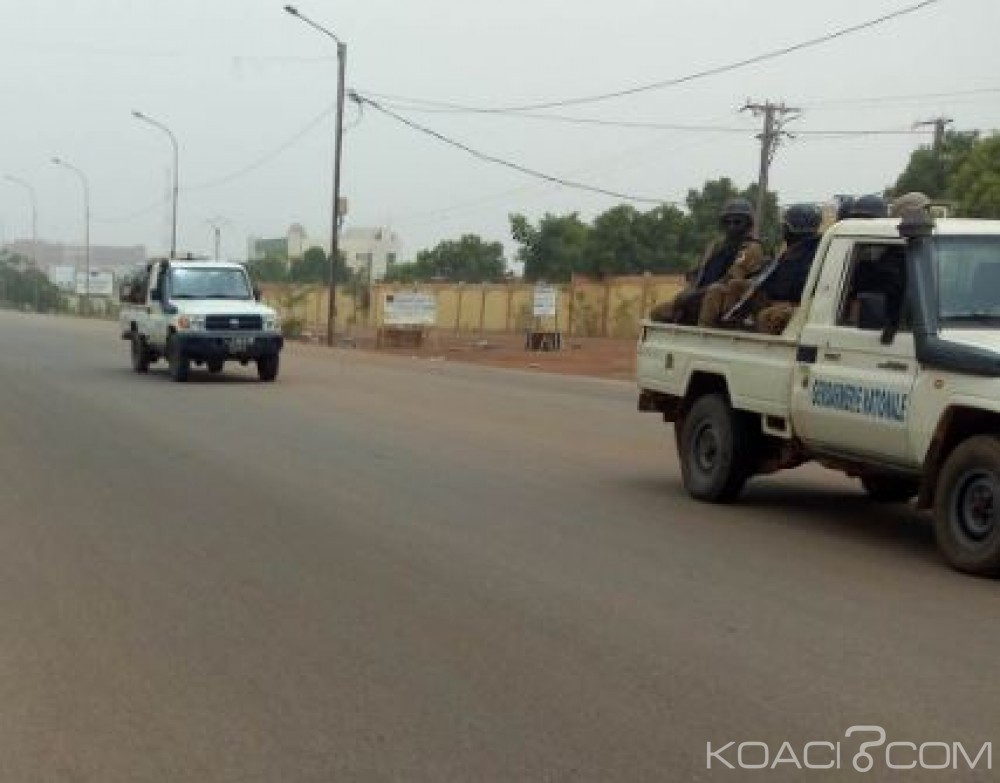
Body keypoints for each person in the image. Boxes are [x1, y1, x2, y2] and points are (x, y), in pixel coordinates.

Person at [649, 198, 764, 324]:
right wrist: (690, 290)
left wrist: (694, 295)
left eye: (737, 222)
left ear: (748, 224)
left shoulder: (751, 248)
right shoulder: (715, 246)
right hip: (698, 294)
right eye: (727, 222)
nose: (732, 226)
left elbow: (729, 280)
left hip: (723, 299)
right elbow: (697, 272)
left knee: (711, 296)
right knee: (657, 313)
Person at [714, 204, 823, 334]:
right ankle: (728, 328)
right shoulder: (791, 250)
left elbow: (793, 286)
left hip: (793, 304)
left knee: (767, 315)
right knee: (735, 285)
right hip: (774, 297)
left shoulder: (814, 253)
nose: (782, 230)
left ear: (791, 228)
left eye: (785, 226)